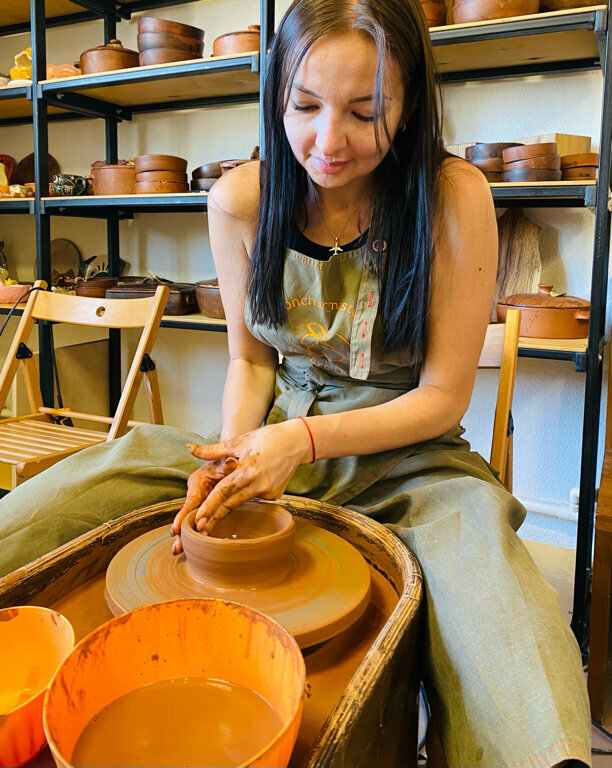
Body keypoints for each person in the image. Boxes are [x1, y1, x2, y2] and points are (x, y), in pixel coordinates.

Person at [0, 0, 590, 765]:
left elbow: (442, 398)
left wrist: (300, 442)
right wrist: (232, 455)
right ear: (277, 93)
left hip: (410, 454)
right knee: (92, 482)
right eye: (305, 106)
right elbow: (251, 364)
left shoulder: (453, 197)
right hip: (274, 430)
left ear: (410, 102)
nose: (327, 141)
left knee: (498, 600)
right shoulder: (241, 201)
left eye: (363, 111)